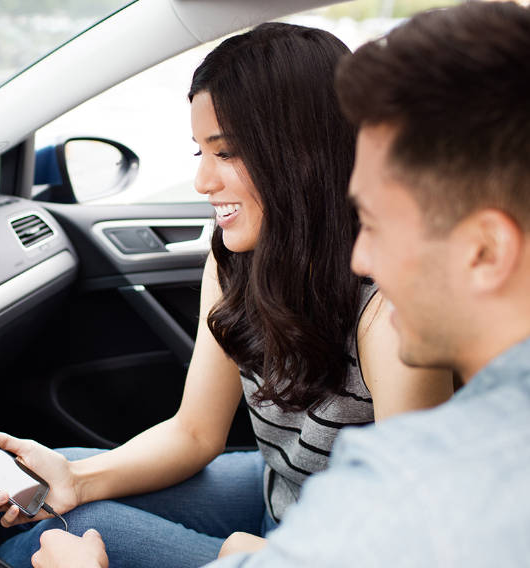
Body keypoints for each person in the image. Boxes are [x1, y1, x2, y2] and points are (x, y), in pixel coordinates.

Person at [27, 1, 530, 566]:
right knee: (53, 483)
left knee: (67, 529)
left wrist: (264, 555)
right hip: (282, 494)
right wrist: (77, 477)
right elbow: (195, 432)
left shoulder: (393, 327)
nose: (200, 180)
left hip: (325, 530)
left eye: (227, 152)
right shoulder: (235, 260)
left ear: (299, 159)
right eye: (201, 153)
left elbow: (395, 520)